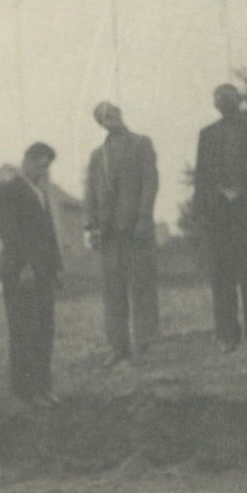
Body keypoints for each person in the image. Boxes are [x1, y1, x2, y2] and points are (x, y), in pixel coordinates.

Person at [192, 82, 247, 352]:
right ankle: (227, 336)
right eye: (219, 100)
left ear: (238, 101)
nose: (224, 103)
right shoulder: (207, 135)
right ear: (215, 104)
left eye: (229, 98)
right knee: (221, 277)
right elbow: (201, 176)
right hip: (219, 213)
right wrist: (201, 211)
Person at [85, 101, 160, 366]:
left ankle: (146, 344)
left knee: (141, 287)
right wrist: (91, 226)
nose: (109, 120)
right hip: (108, 234)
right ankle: (118, 347)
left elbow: (150, 184)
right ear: (100, 124)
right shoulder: (97, 155)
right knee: (112, 292)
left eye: (111, 114)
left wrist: (143, 219)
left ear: (120, 113)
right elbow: (90, 193)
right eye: (102, 119)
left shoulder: (141, 144)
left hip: (135, 229)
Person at [0, 142, 63, 406]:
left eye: (46, 166)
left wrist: (56, 268)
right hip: (21, 271)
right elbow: (9, 231)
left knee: (44, 329)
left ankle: (44, 386)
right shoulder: (9, 189)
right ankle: (26, 390)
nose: (41, 169)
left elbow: (49, 233)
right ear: (26, 160)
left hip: (43, 270)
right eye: (37, 163)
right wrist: (23, 267)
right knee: (24, 330)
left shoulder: (41, 191)